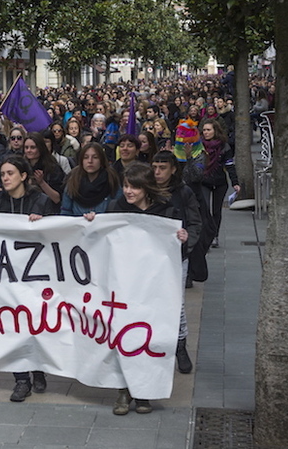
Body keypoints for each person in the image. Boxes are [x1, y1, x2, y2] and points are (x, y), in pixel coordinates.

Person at [88, 162, 187, 415]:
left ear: (146, 188)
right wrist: (91, 223)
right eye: (126, 186)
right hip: (121, 284)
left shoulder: (165, 212)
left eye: (134, 187)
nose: (128, 191)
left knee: (148, 336)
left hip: (152, 286)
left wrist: (182, 240)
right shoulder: (114, 209)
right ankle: (123, 390)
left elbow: (176, 252)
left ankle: (144, 392)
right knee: (123, 335)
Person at [0, 155, 50, 402]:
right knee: (12, 325)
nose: (5, 178)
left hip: (34, 277)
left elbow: (58, 235)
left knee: (36, 324)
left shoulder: (41, 201)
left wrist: (44, 224)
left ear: (24, 176)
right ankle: (21, 380)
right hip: (6, 276)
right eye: (3, 174)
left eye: (10, 173)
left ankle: (38, 368)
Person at [152, 151, 202, 372]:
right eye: (154, 167)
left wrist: (186, 241)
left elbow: (195, 222)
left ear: (173, 169)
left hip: (175, 256)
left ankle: (180, 345)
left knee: (177, 304)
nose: (157, 172)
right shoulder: (145, 190)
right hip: (148, 257)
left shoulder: (184, 192)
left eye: (162, 167)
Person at [197, 119, 240, 248]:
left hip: (220, 182)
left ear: (215, 131)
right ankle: (205, 235)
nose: (206, 132)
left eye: (208, 130)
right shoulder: (198, 145)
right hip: (204, 181)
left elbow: (229, 165)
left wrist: (235, 183)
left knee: (216, 211)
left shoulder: (224, 146)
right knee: (204, 210)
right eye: (204, 130)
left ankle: (214, 235)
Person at [60, 143, 121, 216]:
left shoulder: (112, 181)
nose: (90, 161)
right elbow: (65, 213)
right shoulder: (72, 182)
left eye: (95, 157)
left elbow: (119, 213)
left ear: (101, 160)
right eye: (86, 157)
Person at [23, 133, 65, 215]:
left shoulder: (53, 168)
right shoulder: (21, 166)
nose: (28, 150)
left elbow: (57, 198)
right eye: (26, 147)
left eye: (33, 147)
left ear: (40, 148)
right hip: (26, 211)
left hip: (48, 212)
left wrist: (41, 183)